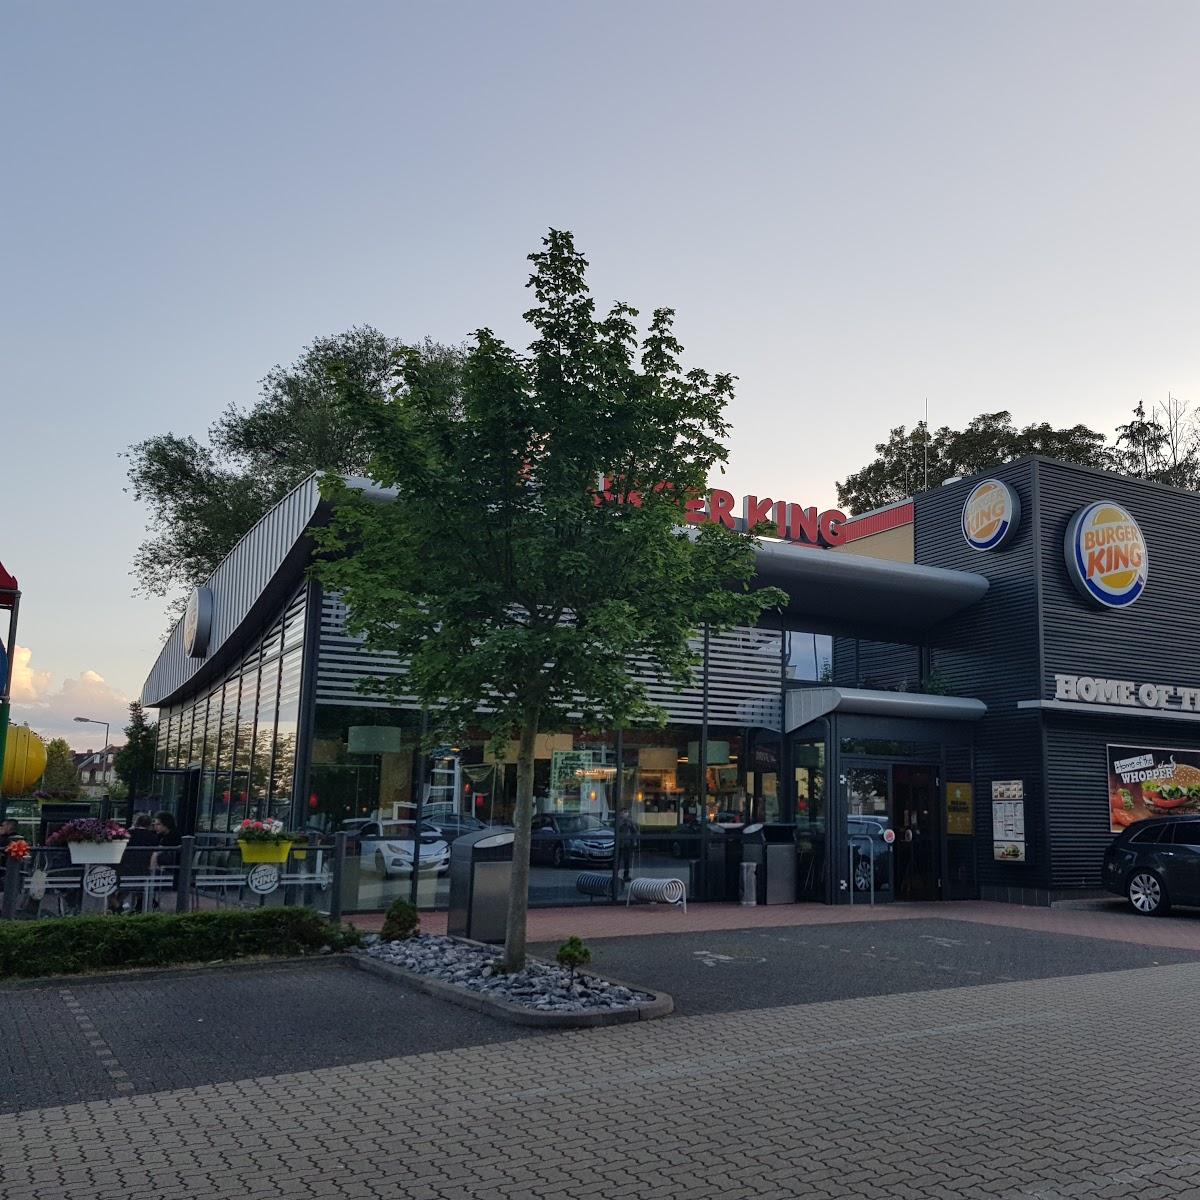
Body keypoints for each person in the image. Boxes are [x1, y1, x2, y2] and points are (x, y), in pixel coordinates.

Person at [616, 807, 638, 884]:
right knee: (617, 860)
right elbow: (616, 829)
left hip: (627, 843)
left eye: (626, 812)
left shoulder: (630, 822)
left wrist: (634, 841)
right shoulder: (618, 821)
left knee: (627, 860)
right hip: (619, 843)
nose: (625, 814)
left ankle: (626, 875)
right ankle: (616, 875)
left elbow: (634, 831)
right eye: (623, 812)